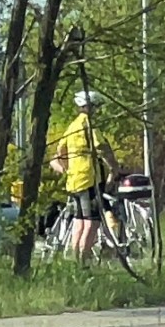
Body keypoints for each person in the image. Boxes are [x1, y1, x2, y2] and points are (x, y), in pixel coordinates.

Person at [49, 90, 115, 259]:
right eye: (95, 107)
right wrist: (114, 167)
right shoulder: (88, 124)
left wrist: (67, 168)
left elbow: (60, 150)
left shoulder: (73, 126)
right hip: (89, 180)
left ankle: (75, 259)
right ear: (89, 107)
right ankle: (83, 261)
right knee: (92, 223)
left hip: (74, 181)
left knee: (79, 222)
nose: (96, 111)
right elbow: (102, 147)